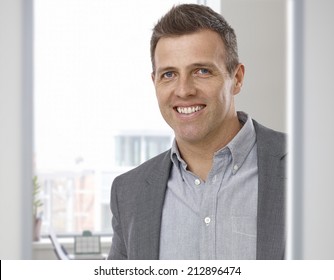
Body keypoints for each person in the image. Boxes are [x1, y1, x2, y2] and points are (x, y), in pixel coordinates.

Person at [108, 4, 286, 260]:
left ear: (236, 78)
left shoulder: (310, 168)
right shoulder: (128, 192)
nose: (183, 90)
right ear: (154, 82)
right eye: (168, 74)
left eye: (202, 71)